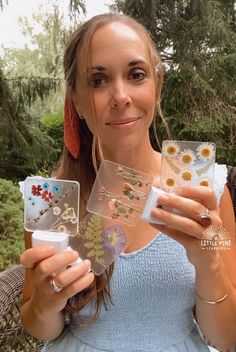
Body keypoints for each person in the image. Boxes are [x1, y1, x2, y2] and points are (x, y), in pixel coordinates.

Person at [19, 13, 236, 352]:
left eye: (136, 75)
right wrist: (46, 304)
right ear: (75, 101)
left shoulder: (201, 186)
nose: (120, 96)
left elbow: (227, 338)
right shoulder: (53, 198)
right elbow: (39, 326)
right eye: (98, 81)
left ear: (156, 84)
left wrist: (208, 261)